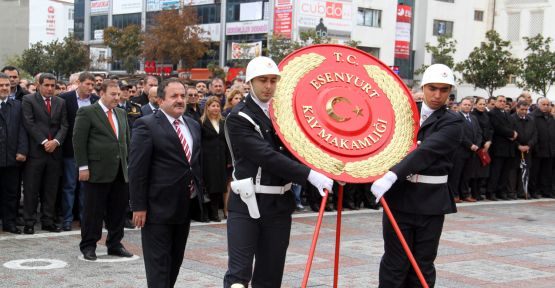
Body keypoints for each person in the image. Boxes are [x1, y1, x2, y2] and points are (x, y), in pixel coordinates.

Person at [223, 56, 333, 288]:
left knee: (270, 276)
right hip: (247, 202)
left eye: (273, 80)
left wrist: (333, 167)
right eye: (262, 80)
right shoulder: (239, 117)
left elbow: (306, 146)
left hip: (279, 204)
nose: (268, 86)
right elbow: (267, 156)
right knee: (238, 277)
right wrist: (310, 176)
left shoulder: (286, 113)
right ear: (250, 82)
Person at [370, 64, 463, 287]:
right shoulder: (404, 112)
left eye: (444, 90)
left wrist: (391, 176)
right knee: (394, 262)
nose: (438, 95)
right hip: (400, 198)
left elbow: (426, 151)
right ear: (423, 87)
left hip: (430, 201)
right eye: (432, 88)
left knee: (421, 264)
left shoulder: (453, 121)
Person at [129, 79, 203, 288]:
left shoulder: (193, 125)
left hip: (185, 206)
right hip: (157, 209)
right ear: (160, 100)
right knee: (158, 267)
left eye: (183, 96)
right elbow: (137, 169)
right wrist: (139, 206)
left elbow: (194, 164)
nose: (180, 100)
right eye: (174, 96)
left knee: (174, 263)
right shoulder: (146, 125)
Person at [73, 80, 133, 261]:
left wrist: (128, 164)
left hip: (120, 171)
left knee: (118, 211)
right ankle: (89, 246)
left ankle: (115, 244)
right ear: (102, 94)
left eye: (118, 94)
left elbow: (126, 141)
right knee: (93, 211)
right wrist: (83, 167)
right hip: (96, 171)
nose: (117, 97)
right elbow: (78, 141)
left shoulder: (121, 113)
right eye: (113, 94)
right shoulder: (87, 112)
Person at [21, 73, 68, 234]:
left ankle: (48, 220)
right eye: (46, 85)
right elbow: (29, 123)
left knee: (51, 189)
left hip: (55, 153)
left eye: (52, 86)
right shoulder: (28, 100)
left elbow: (64, 125)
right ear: (38, 85)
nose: (49, 89)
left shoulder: (60, 102)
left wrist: (55, 142)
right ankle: (29, 222)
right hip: (36, 152)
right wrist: (44, 142)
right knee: (31, 189)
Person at [59, 72, 99, 231]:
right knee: (69, 186)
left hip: (91, 152)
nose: (90, 87)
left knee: (86, 188)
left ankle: (85, 218)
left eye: (93, 85)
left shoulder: (96, 101)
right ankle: (67, 219)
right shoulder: (65, 98)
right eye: (87, 84)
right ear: (79, 83)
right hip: (71, 151)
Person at [0, 73, 28, 234]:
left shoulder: (17, 105)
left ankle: (9, 223)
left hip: (12, 157)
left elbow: (23, 130)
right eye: (1, 85)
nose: (4, 88)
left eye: (6, 85)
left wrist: (22, 150)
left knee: (11, 193)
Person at [200, 96, 229, 222]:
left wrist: (228, 160)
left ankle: (215, 213)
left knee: (219, 186)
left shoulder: (223, 122)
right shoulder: (201, 122)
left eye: (217, 106)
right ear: (207, 107)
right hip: (207, 159)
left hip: (221, 159)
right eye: (213, 106)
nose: (216, 108)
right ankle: (207, 213)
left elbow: (227, 142)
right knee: (208, 186)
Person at [449, 97, 482, 203]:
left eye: (469, 105)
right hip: (460, 151)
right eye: (465, 104)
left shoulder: (474, 118)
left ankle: (465, 194)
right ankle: (454, 195)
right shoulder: (456, 117)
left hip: (472, 152)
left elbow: (478, 133)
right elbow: (460, 134)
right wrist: (470, 145)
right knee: (456, 174)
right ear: (460, 105)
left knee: (467, 175)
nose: (467, 106)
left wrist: (477, 144)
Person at [487, 95, 518, 200]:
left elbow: (512, 126)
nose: (502, 103)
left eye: (504, 101)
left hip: (509, 148)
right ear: (495, 102)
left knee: (505, 172)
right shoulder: (492, 113)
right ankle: (491, 192)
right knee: (496, 172)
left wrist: (514, 133)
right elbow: (498, 127)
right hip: (498, 147)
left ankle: (501, 191)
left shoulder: (507, 113)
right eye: (500, 101)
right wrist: (511, 134)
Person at [529, 97, 555, 199]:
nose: (545, 106)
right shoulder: (533, 116)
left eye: (547, 104)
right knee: (535, 172)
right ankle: (533, 190)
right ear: (538, 105)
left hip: (549, 150)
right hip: (537, 150)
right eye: (543, 104)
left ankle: (546, 191)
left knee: (547, 173)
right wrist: (535, 147)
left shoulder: (551, 117)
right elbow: (532, 133)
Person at [510, 101, 536, 199]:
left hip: (527, 150)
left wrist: (529, 145)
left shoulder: (531, 119)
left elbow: (535, 135)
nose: (524, 112)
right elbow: (510, 135)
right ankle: (511, 192)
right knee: (513, 172)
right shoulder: (511, 119)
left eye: (526, 110)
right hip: (515, 149)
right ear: (517, 108)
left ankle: (523, 192)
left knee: (525, 171)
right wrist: (518, 146)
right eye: (522, 109)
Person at [470, 97, 493, 200]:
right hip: (477, 146)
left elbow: (491, 129)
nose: (482, 106)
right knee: (475, 172)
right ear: (475, 105)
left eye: (484, 104)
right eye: (480, 104)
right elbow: (476, 131)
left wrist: (489, 141)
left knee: (483, 172)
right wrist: (482, 144)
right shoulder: (473, 115)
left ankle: (479, 192)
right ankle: (475, 193)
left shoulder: (486, 115)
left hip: (487, 146)